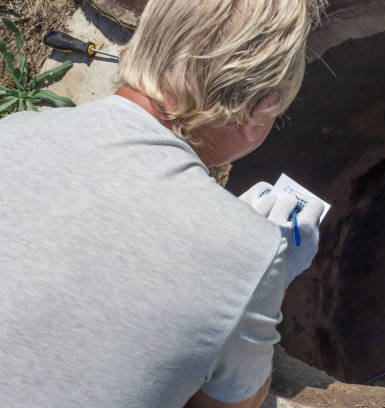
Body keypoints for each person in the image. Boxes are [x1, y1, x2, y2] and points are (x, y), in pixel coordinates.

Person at [0, 0, 326, 407]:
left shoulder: (11, 134)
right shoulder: (247, 253)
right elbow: (229, 403)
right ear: (257, 111)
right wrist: (261, 279)